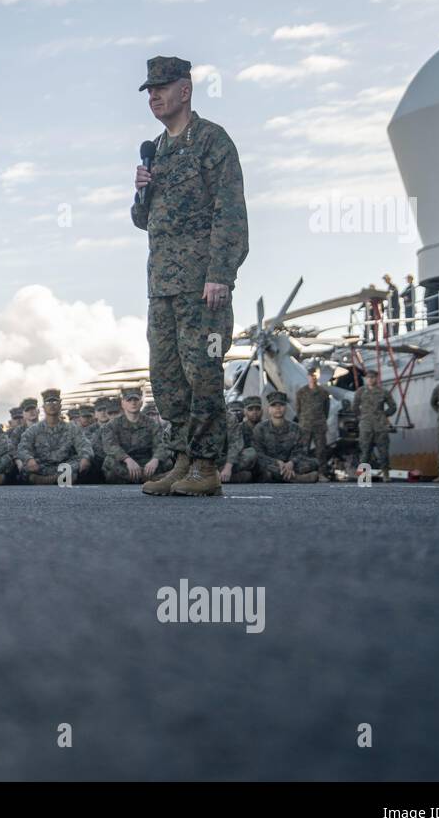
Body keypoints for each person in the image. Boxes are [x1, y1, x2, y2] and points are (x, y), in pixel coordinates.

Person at [132, 55, 249, 497]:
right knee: (166, 376)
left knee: (202, 372)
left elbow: (231, 213)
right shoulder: (157, 150)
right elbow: (143, 220)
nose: (154, 96)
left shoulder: (212, 142)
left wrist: (221, 274)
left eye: (162, 88)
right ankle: (181, 457)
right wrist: (142, 187)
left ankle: (205, 464)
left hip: (202, 284)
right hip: (161, 284)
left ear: (185, 90)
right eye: (149, 90)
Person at [16, 388, 92, 485]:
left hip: (65, 465)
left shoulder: (71, 428)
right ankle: (58, 479)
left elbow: (84, 445)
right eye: (48, 402)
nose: (52, 405)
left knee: (80, 464)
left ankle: (46, 480)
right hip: (42, 466)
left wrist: (85, 458)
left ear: (60, 404)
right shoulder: (34, 429)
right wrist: (29, 459)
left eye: (55, 401)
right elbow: (23, 447)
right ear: (43, 406)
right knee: (25, 468)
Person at [101, 385, 168, 484]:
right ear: (123, 403)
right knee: (109, 462)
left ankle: (140, 478)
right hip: (125, 463)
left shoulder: (152, 423)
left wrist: (155, 459)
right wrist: (127, 459)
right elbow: (110, 445)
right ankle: (152, 479)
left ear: (141, 402)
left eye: (136, 399)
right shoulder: (112, 425)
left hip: (146, 462)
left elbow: (161, 444)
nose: (133, 403)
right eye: (129, 400)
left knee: (167, 461)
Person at [252, 391, 319, 483]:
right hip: (271, 464)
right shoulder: (260, 428)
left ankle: (280, 476)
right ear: (269, 409)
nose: (278, 408)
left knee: (314, 463)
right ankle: (296, 478)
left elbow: (300, 451)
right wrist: (277, 462)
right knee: (260, 466)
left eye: (281, 405)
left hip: (290, 464)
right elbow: (258, 453)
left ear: (286, 407)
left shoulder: (296, 428)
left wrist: (291, 463)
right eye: (274, 405)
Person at [353, 368, 396, 480]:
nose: (370, 379)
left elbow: (393, 407)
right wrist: (361, 418)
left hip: (380, 426)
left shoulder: (383, 392)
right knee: (365, 451)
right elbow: (355, 407)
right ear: (366, 379)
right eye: (368, 377)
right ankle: (364, 475)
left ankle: (385, 474)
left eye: (373, 377)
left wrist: (383, 415)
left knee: (383, 451)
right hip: (366, 426)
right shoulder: (360, 392)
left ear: (376, 378)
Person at [294, 366, 332, 480]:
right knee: (303, 450)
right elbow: (298, 409)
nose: (313, 377)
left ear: (318, 377)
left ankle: (321, 473)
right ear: (308, 377)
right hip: (305, 425)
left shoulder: (323, 393)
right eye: (311, 375)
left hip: (319, 424)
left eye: (315, 375)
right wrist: (303, 419)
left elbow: (326, 410)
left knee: (321, 450)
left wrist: (321, 419)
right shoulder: (301, 392)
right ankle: (304, 472)